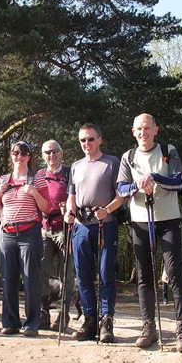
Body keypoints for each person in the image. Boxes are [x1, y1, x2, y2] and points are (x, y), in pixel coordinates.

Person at [117, 113, 182, 352]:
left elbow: (179, 182)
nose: (143, 132)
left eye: (147, 128)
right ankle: (148, 326)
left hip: (169, 219)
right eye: (139, 129)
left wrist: (155, 178)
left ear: (156, 130)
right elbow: (120, 188)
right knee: (144, 274)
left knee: (175, 271)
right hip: (140, 220)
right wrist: (137, 185)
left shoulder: (168, 151)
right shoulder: (128, 157)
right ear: (133, 132)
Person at [63, 123, 124, 343]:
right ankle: (89, 319)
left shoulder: (112, 162)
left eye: (90, 139)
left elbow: (122, 194)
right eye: (82, 140)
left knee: (106, 272)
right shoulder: (76, 166)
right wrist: (70, 212)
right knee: (83, 275)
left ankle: (106, 320)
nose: (86, 144)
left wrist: (107, 210)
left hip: (104, 223)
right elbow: (72, 194)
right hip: (81, 225)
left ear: (100, 139)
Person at [0, 141, 50, 337]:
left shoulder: (37, 178)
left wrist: (33, 192)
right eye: (16, 153)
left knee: (30, 279)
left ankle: (32, 323)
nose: (19, 156)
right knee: (7, 279)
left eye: (24, 153)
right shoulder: (4, 179)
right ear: (11, 156)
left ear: (29, 156)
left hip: (29, 233)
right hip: (7, 233)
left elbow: (46, 207)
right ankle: (10, 322)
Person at [37, 140, 75, 332]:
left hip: (65, 229)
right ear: (43, 155)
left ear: (61, 153)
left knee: (66, 274)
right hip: (44, 228)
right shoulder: (39, 175)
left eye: (54, 152)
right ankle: (43, 312)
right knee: (41, 271)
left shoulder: (69, 173)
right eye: (47, 153)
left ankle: (63, 314)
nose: (51, 156)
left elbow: (77, 195)